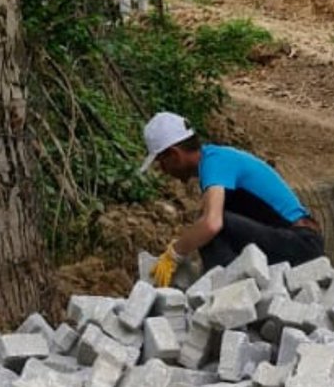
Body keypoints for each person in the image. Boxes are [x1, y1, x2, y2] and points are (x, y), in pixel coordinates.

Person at [139, 112, 324, 287]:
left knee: (210, 227)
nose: (163, 170)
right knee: (207, 225)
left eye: (162, 162)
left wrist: (175, 253)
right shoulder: (215, 161)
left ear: (175, 154)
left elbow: (212, 224)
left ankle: (226, 295)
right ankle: (231, 289)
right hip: (290, 241)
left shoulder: (215, 162)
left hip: (302, 244)